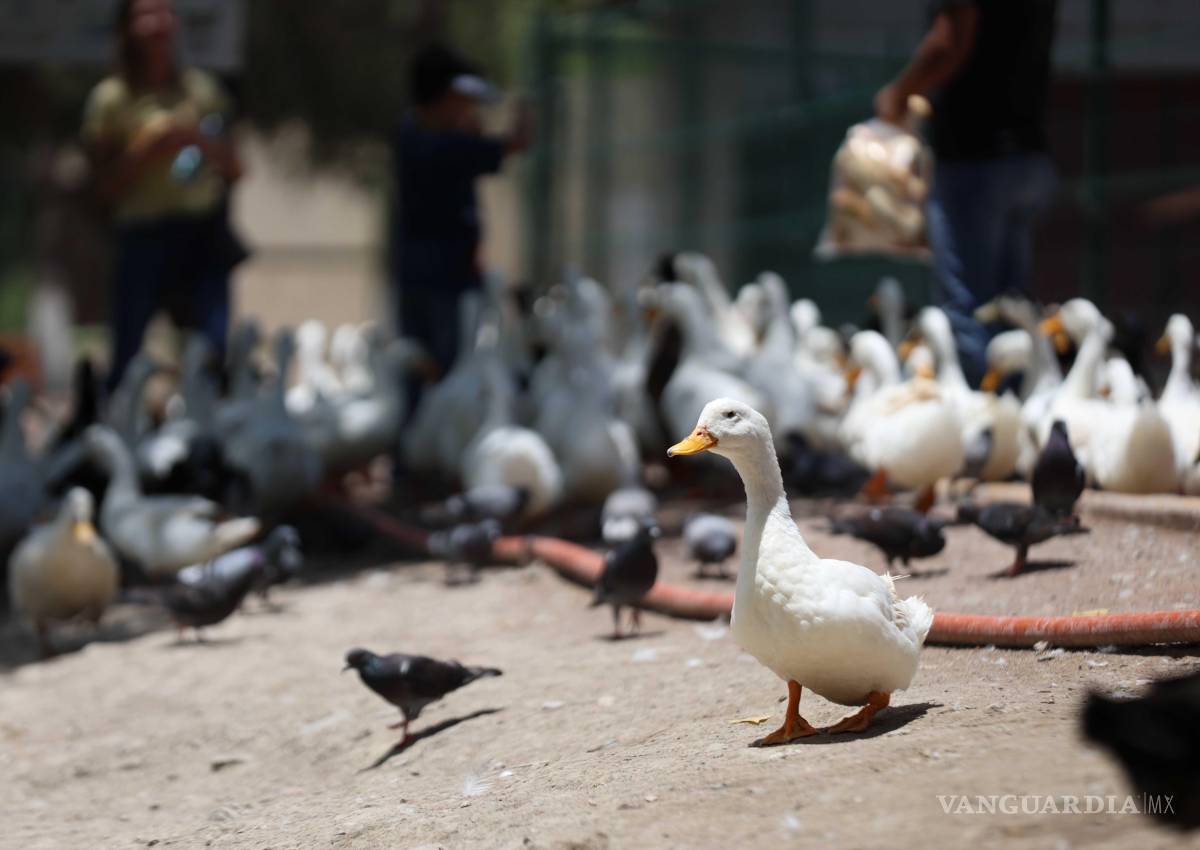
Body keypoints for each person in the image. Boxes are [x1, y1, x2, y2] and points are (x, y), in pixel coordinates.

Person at [876, 0, 1058, 386]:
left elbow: (949, 43)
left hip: (975, 157)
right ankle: (1018, 412)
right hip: (1029, 154)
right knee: (1012, 307)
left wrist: (897, 94)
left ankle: (985, 424)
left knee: (969, 307)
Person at [83, 0, 245, 390]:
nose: (159, 23)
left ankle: (208, 437)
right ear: (127, 28)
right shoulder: (111, 100)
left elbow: (236, 169)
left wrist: (196, 142)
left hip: (200, 234)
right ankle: (118, 431)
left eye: (165, 12)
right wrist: (144, 150)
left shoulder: (201, 90)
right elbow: (102, 189)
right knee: (128, 350)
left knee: (212, 348)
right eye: (146, 14)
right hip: (142, 236)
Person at [392, 44, 531, 382]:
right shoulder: (438, 145)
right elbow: (511, 144)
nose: (468, 109)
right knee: (444, 372)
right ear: (444, 97)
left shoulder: (411, 133)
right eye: (461, 100)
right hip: (441, 281)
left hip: (424, 273)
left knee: (427, 373)